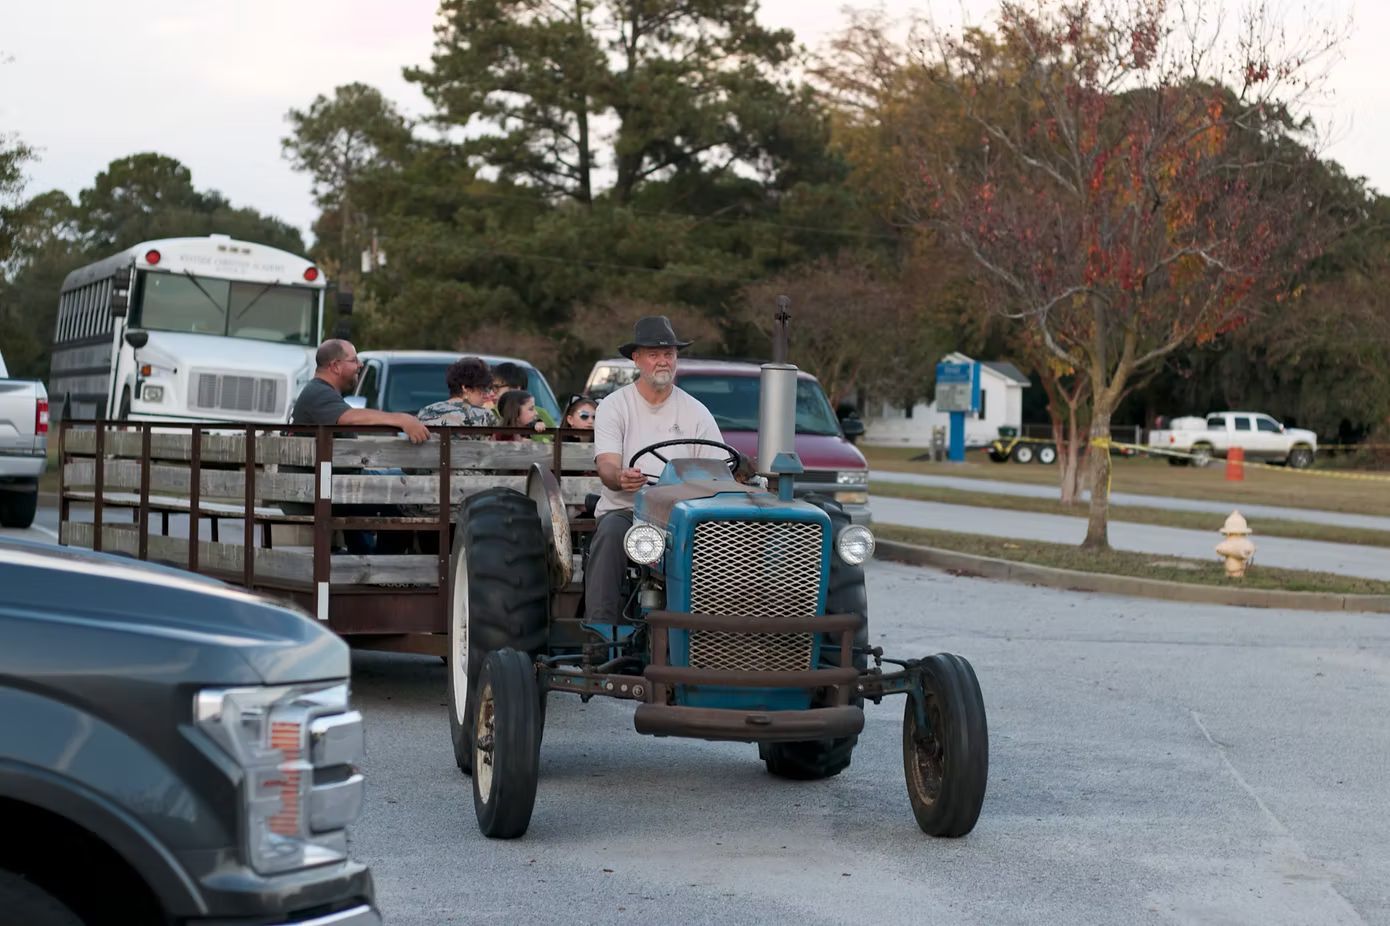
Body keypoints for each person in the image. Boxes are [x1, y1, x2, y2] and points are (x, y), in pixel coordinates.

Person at [586, 316, 725, 624]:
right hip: (630, 512)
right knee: (610, 534)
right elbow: (607, 465)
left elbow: (718, 470)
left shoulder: (696, 411)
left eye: (669, 354)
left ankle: (716, 631)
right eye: (654, 354)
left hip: (683, 517)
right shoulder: (615, 405)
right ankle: (601, 633)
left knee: (725, 541)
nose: (663, 361)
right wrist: (620, 477)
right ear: (637, 359)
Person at [291, 339, 430, 442]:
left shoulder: (320, 390)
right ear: (335, 366)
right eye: (353, 360)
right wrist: (402, 419)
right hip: (332, 480)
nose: (360, 364)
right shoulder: (319, 393)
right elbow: (350, 418)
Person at [416, 356, 501, 435]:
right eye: (483, 388)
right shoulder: (485, 415)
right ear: (466, 388)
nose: (486, 394)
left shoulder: (425, 412)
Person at [493, 360, 557, 430]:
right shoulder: (489, 414)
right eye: (491, 387)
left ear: (515, 388)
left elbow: (557, 438)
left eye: (496, 387)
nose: (491, 392)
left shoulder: (542, 415)